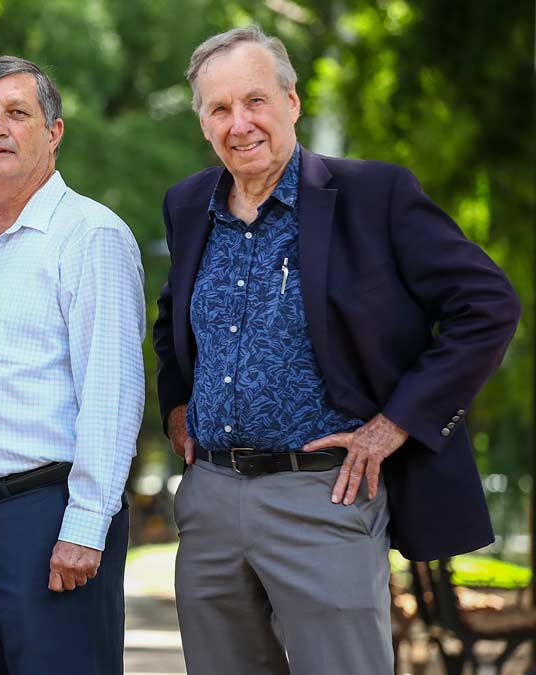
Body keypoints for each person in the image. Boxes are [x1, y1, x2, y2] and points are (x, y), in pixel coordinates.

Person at [154, 25, 521, 674]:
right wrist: (177, 405)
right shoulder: (187, 206)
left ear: (292, 102)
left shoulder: (374, 196)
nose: (240, 123)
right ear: (203, 123)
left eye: (255, 100)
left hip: (321, 496)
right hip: (208, 500)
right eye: (219, 108)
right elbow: (171, 319)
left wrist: (395, 424)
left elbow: (487, 306)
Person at [0, 56, 145, 675]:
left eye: (17, 113)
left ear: (54, 132)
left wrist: (86, 525)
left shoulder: (90, 235)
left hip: (49, 522)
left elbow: (112, 391)